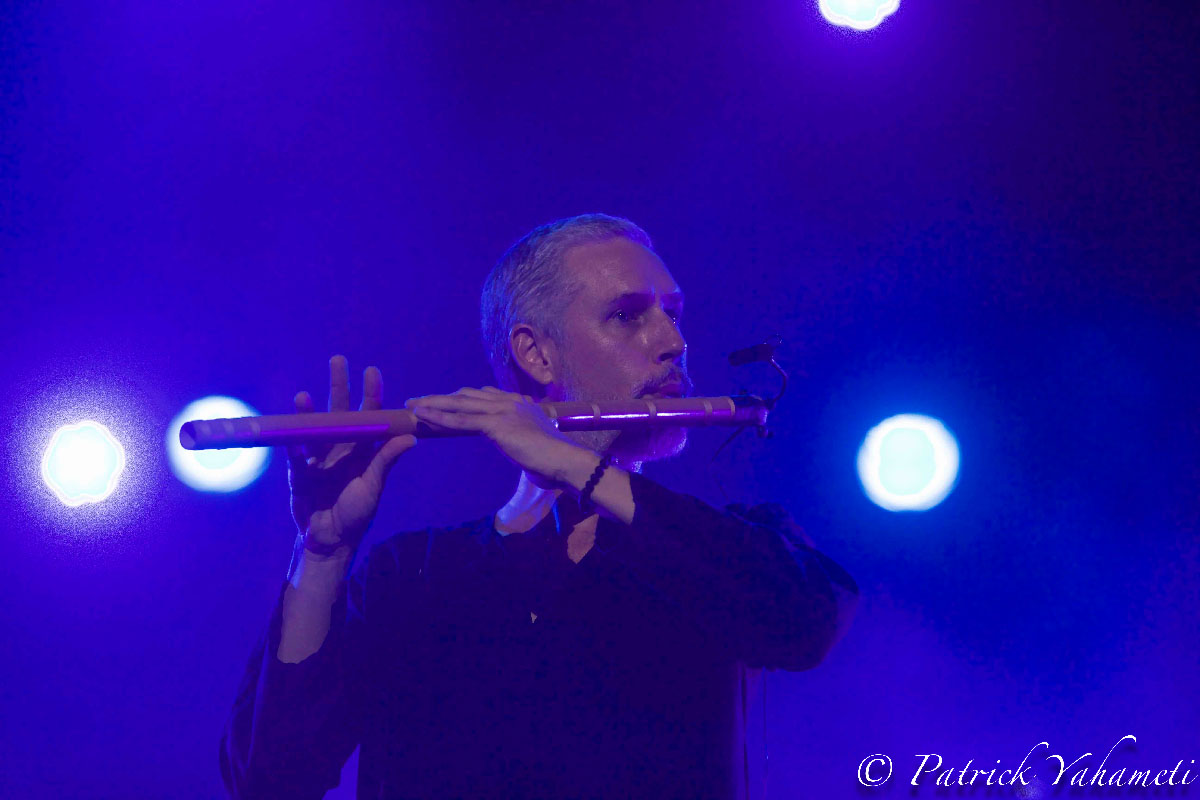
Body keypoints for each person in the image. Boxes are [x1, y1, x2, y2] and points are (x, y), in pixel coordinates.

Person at [220, 214, 858, 799]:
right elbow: (271, 779)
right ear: (536, 354)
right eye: (628, 315)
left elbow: (803, 624)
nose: (673, 342)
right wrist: (323, 553)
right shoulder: (410, 575)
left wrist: (572, 462)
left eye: (674, 313)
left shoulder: (726, 544)